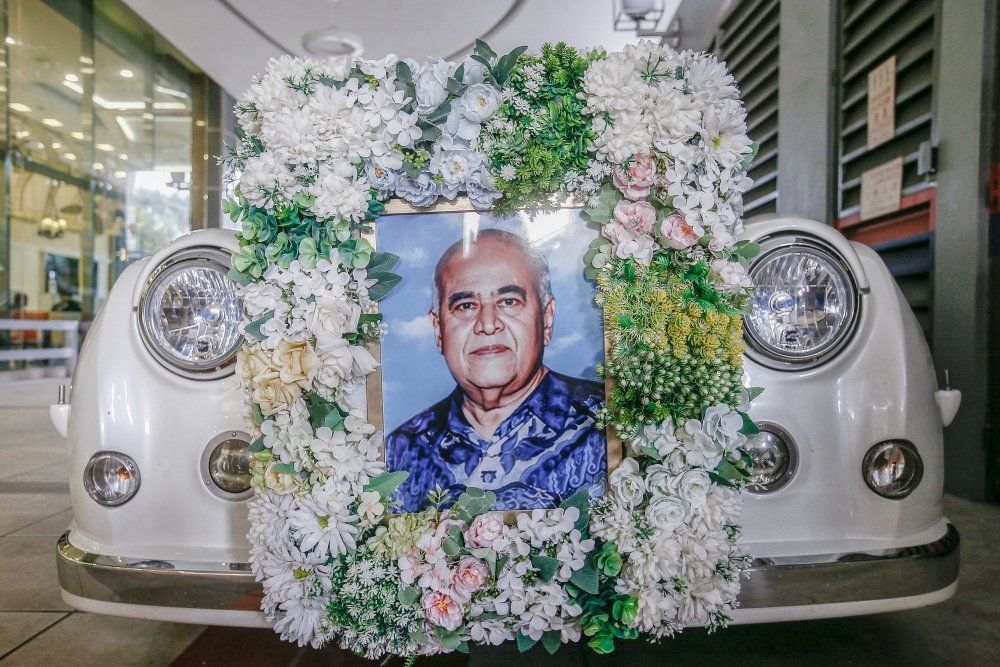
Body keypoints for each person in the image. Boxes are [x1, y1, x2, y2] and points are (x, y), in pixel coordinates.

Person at [385, 229, 607, 511]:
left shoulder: (606, 423)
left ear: (547, 319)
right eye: (466, 305)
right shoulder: (401, 450)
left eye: (509, 301)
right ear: (439, 330)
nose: (487, 324)